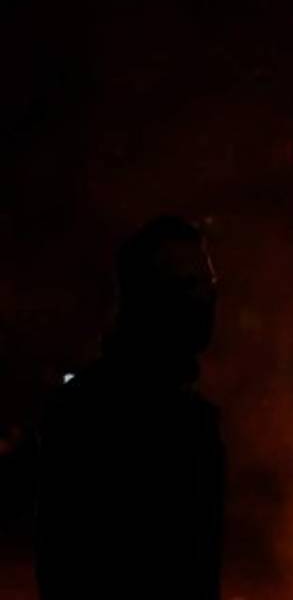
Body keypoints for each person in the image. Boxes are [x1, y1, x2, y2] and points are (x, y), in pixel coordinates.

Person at [35, 216, 224, 600]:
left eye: (210, 283)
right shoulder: (91, 413)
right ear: (146, 297)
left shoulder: (193, 414)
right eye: (188, 285)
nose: (206, 297)